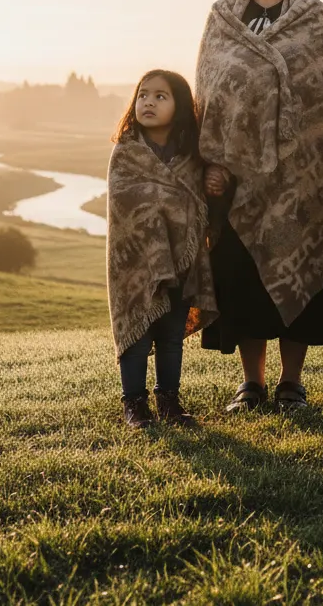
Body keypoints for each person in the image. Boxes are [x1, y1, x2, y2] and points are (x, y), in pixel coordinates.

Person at [198, 0, 323, 411]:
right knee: (243, 277)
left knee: (301, 269)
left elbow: (322, 96)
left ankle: (291, 381)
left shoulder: (312, 17)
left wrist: (306, 158)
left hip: (298, 172)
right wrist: (213, 159)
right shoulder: (223, 16)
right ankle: (252, 383)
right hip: (238, 177)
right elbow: (207, 89)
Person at [106, 70, 218, 429]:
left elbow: (200, 201)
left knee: (171, 336)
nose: (148, 102)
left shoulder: (190, 156)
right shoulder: (126, 153)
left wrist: (216, 181)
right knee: (137, 335)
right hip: (136, 264)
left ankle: (169, 401)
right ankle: (134, 405)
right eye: (143, 95)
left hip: (182, 260)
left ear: (180, 106)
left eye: (160, 96)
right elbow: (126, 202)